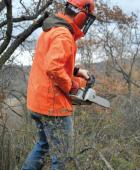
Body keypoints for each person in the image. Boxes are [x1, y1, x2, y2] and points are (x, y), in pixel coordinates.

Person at [21, 0, 96, 169]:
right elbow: (54, 68)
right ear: (81, 14)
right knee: (62, 155)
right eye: (86, 18)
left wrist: (77, 72)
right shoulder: (63, 35)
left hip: (37, 102)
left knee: (43, 146)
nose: (86, 22)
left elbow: (52, 60)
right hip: (52, 106)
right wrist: (72, 86)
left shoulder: (52, 29)